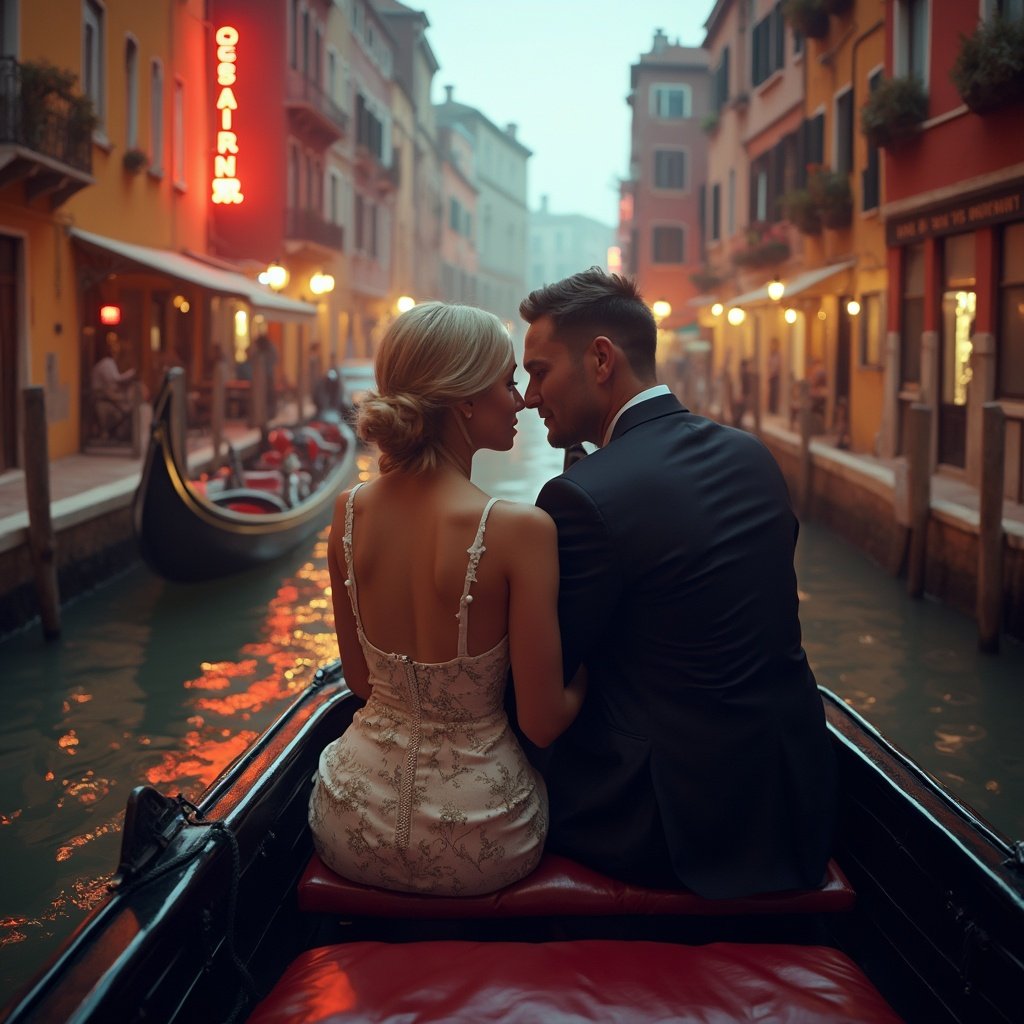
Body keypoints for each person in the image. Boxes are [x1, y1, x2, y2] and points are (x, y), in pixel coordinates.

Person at [518, 267, 836, 899]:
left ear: (601, 359)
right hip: (795, 806)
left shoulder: (582, 496)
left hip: (669, 827)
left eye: (540, 370)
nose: (529, 396)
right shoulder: (753, 456)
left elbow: (549, 679)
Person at [308, 302, 586, 896]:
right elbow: (542, 723)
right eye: (508, 383)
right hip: (484, 838)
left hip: (347, 819)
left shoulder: (348, 513)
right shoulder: (520, 530)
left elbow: (360, 681)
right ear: (463, 400)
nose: (521, 401)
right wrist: (593, 673)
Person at [90, 334, 136, 440]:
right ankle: (117, 434)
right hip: (103, 399)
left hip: (106, 397)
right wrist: (130, 374)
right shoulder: (106, 363)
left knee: (127, 408)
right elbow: (115, 380)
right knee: (127, 410)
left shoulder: (107, 363)